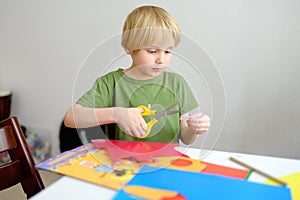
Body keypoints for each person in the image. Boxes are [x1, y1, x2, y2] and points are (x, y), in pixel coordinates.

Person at [64, 5, 210, 145]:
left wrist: (193, 128)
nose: (161, 60)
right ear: (129, 48)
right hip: (122, 165)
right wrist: (116, 114)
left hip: (166, 164)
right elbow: (71, 118)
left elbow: (186, 138)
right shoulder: (111, 83)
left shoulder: (177, 83)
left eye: (168, 51)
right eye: (152, 51)